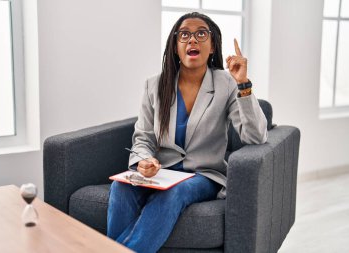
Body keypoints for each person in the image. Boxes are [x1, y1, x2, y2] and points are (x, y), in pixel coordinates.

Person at [107, 12, 268, 253]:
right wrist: (144, 160)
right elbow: (143, 137)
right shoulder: (154, 84)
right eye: (184, 35)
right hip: (161, 173)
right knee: (121, 187)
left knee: (174, 193)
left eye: (201, 34)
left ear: (212, 45)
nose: (192, 40)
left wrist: (243, 84)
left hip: (203, 175)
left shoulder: (226, 83)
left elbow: (255, 137)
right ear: (175, 46)